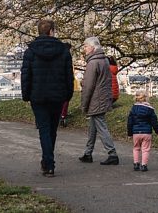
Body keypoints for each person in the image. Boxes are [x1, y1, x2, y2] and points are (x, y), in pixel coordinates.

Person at [21, 18, 74, 177]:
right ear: (52, 31)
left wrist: (26, 94)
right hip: (58, 95)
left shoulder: (30, 51)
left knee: (44, 129)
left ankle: (48, 163)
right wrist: (68, 94)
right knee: (52, 129)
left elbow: (26, 75)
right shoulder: (63, 51)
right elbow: (68, 75)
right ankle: (48, 161)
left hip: (38, 96)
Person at [78, 37, 119, 165]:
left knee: (100, 126)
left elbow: (88, 86)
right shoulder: (104, 60)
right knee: (93, 126)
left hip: (96, 99)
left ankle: (112, 153)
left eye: (85, 46)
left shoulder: (93, 63)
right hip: (103, 97)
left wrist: (84, 105)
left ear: (92, 47)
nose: (84, 49)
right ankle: (88, 153)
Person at [126, 90, 158, 171]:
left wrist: (129, 133)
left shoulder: (133, 109)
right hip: (147, 133)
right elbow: (154, 122)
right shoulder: (150, 109)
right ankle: (144, 165)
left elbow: (130, 122)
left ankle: (136, 164)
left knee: (136, 148)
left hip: (136, 133)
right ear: (146, 98)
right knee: (145, 149)